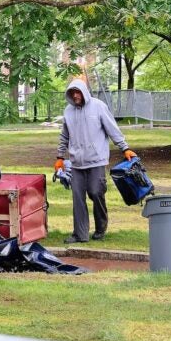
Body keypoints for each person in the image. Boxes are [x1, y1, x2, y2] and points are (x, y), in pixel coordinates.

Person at [56, 79, 136, 243]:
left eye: (78, 92)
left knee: (95, 192)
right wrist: (59, 157)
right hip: (76, 162)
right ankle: (80, 234)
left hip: (96, 160)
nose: (75, 95)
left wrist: (124, 148)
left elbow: (112, 129)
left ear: (84, 92)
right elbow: (64, 135)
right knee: (78, 198)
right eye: (72, 93)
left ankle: (101, 227)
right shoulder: (68, 111)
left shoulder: (98, 106)